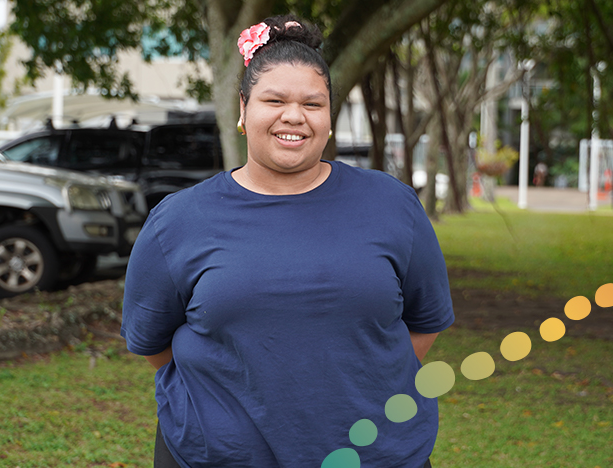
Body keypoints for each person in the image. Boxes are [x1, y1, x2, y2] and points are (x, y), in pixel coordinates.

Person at [120, 14, 454, 468]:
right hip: (217, 457)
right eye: (273, 99)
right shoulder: (178, 221)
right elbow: (154, 345)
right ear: (243, 109)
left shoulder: (392, 205)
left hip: (375, 455)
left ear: (330, 116)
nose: (293, 116)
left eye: (313, 104)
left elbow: (425, 322)